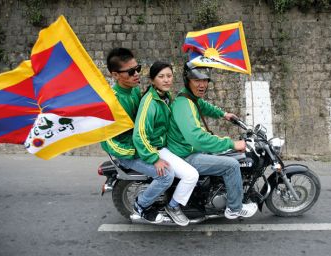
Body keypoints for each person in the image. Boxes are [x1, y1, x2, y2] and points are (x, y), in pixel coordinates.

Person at [167, 61, 258, 219]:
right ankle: (234, 208)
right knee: (231, 165)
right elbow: (197, 138)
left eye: (205, 80)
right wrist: (232, 143)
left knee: (226, 154)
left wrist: (223, 114)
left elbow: (203, 105)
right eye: (197, 80)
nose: (202, 84)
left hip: (187, 149)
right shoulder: (184, 104)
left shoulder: (190, 97)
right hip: (186, 154)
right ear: (187, 80)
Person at [101, 48, 171, 224]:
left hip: (144, 145)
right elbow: (108, 141)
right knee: (166, 175)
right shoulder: (111, 102)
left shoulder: (133, 90)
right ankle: (142, 205)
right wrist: (137, 152)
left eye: (138, 68)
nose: (136, 74)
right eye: (131, 72)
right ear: (115, 75)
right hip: (129, 152)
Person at [133, 61, 199, 226]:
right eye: (161, 76)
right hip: (156, 148)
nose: (166, 80)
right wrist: (154, 158)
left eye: (169, 76)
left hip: (166, 145)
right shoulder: (150, 103)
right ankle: (169, 206)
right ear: (152, 80)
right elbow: (140, 134)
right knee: (191, 175)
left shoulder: (165, 96)